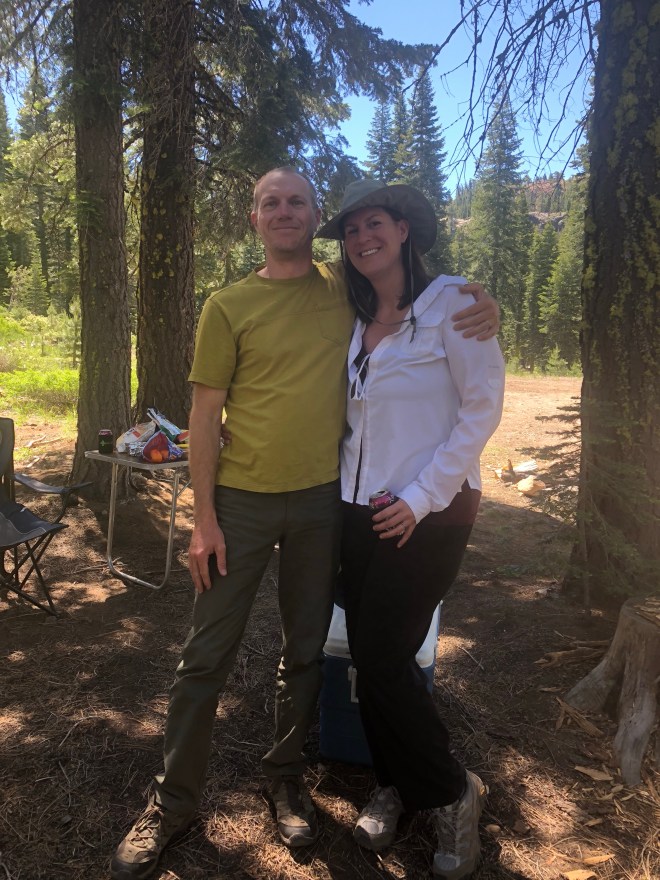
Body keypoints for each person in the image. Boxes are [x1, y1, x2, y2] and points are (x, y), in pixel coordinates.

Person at [110, 167, 500, 880]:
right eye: (271, 203)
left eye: (297, 202)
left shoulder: (349, 290)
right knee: (206, 655)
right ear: (254, 219)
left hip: (330, 504)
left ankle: (287, 777)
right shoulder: (233, 304)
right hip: (248, 504)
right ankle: (172, 803)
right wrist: (202, 519)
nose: (284, 212)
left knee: (310, 653)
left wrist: (485, 305)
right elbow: (203, 415)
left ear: (315, 217)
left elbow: (435, 320)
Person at [315, 179, 505, 879]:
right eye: (351, 230)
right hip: (357, 510)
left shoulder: (454, 303)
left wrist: (421, 497)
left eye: (375, 224)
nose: (362, 238)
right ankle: (393, 783)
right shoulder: (356, 314)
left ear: (402, 231)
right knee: (373, 657)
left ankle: (453, 792)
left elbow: (482, 409)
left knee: (384, 655)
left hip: (430, 512)